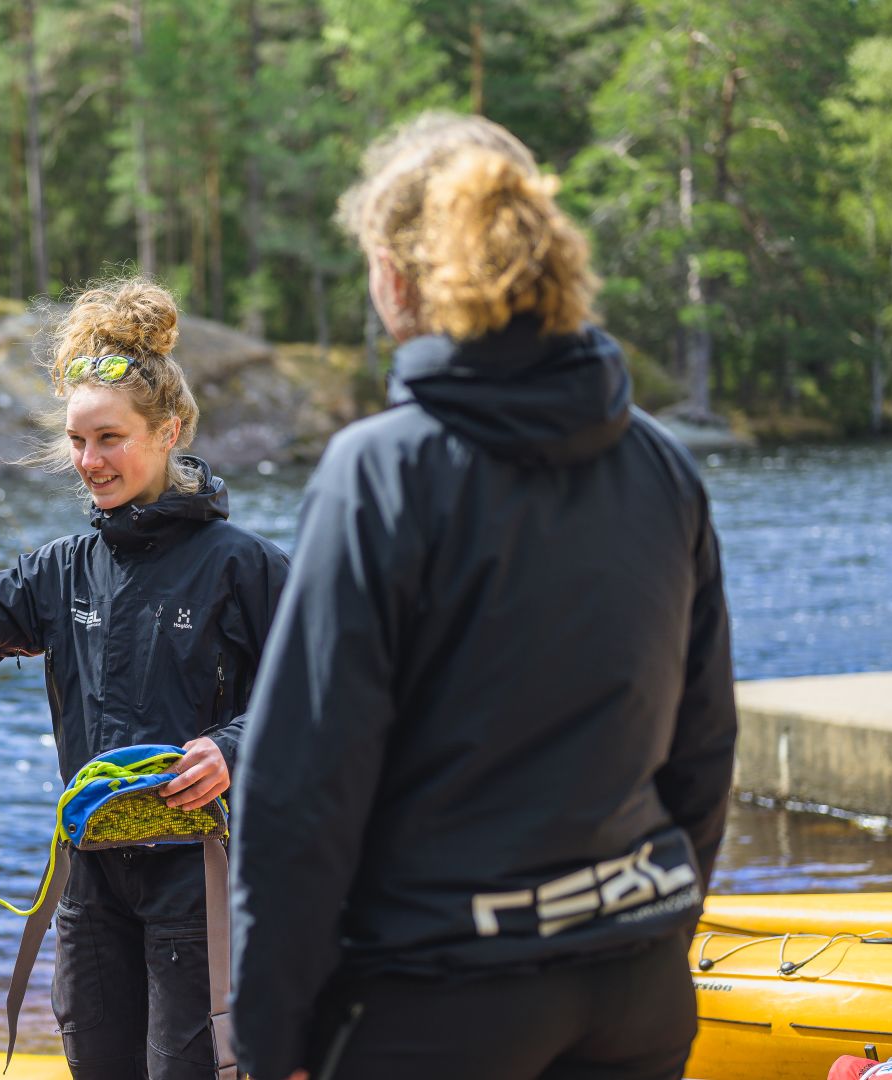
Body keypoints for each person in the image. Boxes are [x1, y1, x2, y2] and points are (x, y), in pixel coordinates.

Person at [229, 112, 737, 1080]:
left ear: (395, 275)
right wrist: (657, 923)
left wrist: (267, 1041)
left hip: (439, 1003)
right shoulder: (662, 467)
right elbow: (704, 744)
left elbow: (302, 790)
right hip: (634, 992)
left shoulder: (379, 472)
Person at [0, 279, 289, 1080]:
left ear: (169, 431)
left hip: (199, 879)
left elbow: (316, 698)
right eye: (77, 440)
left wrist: (232, 748)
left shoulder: (243, 566)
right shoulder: (63, 570)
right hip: (91, 878)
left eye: (110, 439)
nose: (88, 461)